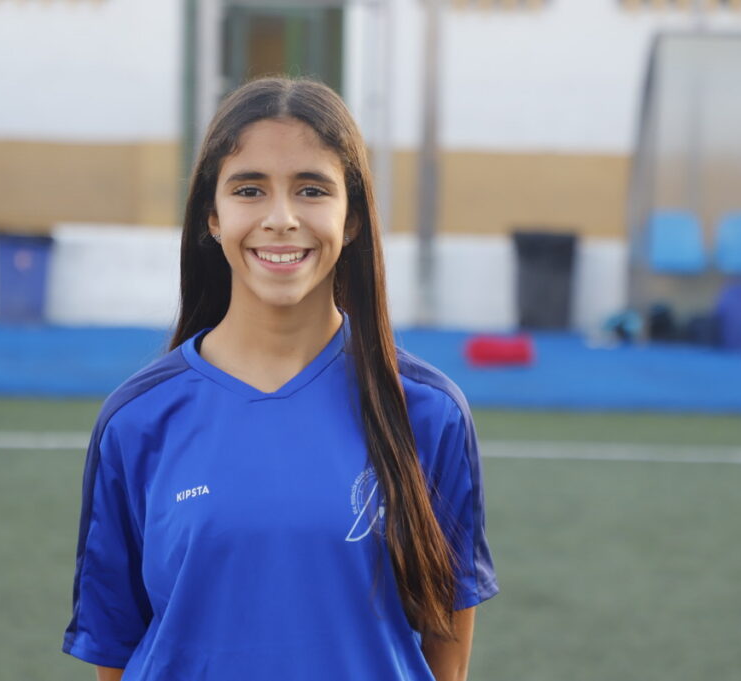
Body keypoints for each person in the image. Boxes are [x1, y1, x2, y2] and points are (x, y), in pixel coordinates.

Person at [62, 77, 497, 681]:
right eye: (249, 189)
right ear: (212, 217)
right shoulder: (137, 420)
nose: (282, 218)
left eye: (312, 189)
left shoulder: (426, 411)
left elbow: (447, 641)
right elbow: (113, 644)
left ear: (351, 220)